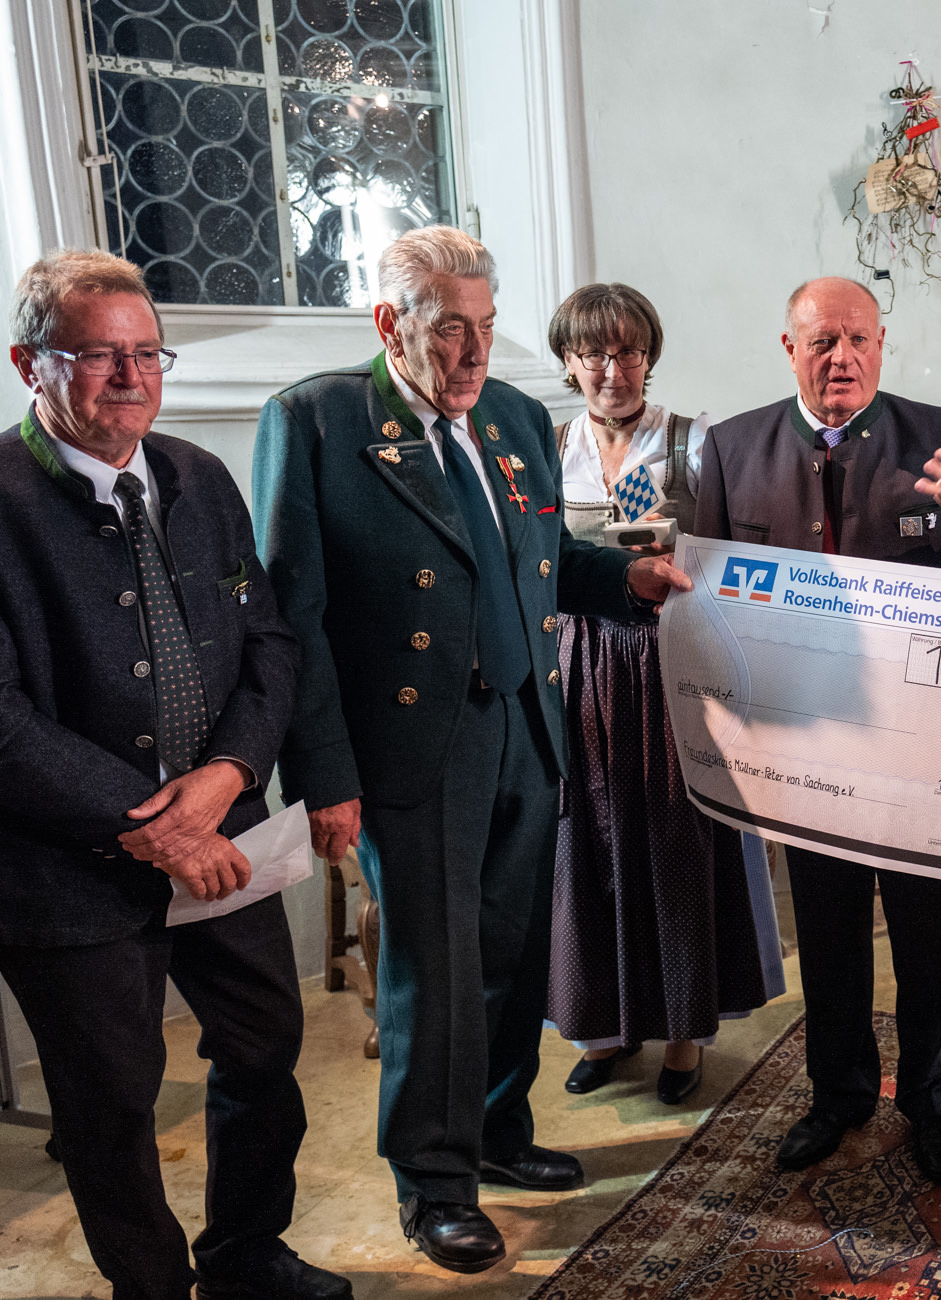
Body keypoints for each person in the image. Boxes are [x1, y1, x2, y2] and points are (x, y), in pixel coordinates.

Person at [252, 227, 688, 1272]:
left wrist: (623, 582)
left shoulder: (513, 418)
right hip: (409, 747)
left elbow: (541, 559)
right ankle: (434, 1184)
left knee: (513, 954)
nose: (474, 351)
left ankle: (499, 1129)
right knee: (435, 974)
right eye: (450, 328)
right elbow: (290, 616)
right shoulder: (317, 421)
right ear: (390, 323)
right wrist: (324, 777)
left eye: (486, 326)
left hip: (525, 726)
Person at [0, 251, 345, 1300]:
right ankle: (151, 1289)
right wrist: (151, 822)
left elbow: (268, 643)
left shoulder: (200, 477)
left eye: (148, 353)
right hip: (68, 869)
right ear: (28, 363)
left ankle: (246, 1251)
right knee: (111, 1100)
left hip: (224, 832)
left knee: (264, 1043)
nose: (131, 376)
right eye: (98, 355)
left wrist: (230, 771)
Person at [691, 275, 941, 1184]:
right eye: (822, 342)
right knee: (829, 929)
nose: (842, 359)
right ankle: (837, 1093)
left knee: (929, 932)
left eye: (859, 340)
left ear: (882, 344)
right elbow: (708, 604)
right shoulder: (732, 448)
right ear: (789, 349)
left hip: (920, 747)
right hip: (802, 746)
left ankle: (935, 1102)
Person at [542, 282, 783, 1102]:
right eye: (594, 354)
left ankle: (684, 1034)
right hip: (581, 666)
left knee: (679, 844)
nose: (614, 370)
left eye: (630, 352)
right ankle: (605, 1028)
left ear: (649, 357)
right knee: (590, 845)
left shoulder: (693, 442)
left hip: (673, 664)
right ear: (569, 361)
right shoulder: (546, 447)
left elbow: (736, 548)